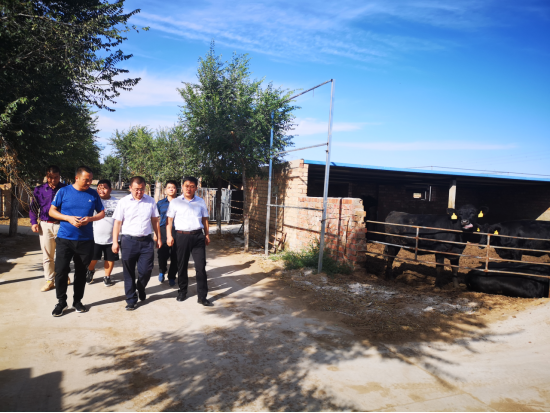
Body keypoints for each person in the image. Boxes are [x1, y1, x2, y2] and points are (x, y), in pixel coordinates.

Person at [48, 166, 105, 317]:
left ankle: (77, 301)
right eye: (86, 180)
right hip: (65, 238)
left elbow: (102, 213)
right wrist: (68, 218)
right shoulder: (64, 191)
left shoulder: (93, 194)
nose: (89, 183)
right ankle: (61, 302)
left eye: (91, 180)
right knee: (61, 271)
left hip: (85, 240)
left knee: (81, 273)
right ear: (77, 178)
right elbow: (51, 211)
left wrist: (90, 219)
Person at [112, 176, 162, 311]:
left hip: (146, 241)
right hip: (128, 241)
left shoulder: (150, 201)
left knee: (146, 270)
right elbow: (117, 223)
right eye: (136, 189)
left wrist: (159, 237)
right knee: (128, 272)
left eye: (141, 189)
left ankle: (140, 287)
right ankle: (131, 299)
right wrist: (115, 242)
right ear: (130, 188)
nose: (139, 192)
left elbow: (155, 221)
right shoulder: (123, 202)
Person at [166, 177, 212, 306]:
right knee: (182, 265)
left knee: (200, 267)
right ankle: (182, 291)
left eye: (192, 186)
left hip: (198, 237)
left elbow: (205, 219)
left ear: (196, 188)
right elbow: (169, 221)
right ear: (182, 187)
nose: (189, 188)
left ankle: (202, 296)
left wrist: (207, 235)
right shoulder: (175, 202)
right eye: (186, 186)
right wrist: (169, 236)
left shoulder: (200, 202)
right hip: (181, 236)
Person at [30, 165, 68, 292]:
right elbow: (33, 207)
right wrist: (34, 222)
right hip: (45, 225)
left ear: (59, 176)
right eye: (50, 177)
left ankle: (64, 276)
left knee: (63, 254)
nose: (53, 180)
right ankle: (49, 280)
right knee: (47, 255)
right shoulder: (39, 190)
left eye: (56, 177)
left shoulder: (65, 189)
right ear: (47, 176)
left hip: (62, 225)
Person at [86, 179, 119, 287]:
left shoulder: (117, 203)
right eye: (99, 188)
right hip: (95, 237)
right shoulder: (93, 200)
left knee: (110, 258)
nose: (101, 190)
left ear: (110, 189)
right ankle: (90, 271)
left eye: (104, 188)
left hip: (112, 238)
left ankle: (107, 276)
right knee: (93, 258)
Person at [155, 180, 179, 287]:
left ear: (176, 190)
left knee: (176, 255)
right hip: (163, 230)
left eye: (173, 187)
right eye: (169, 187)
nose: (171, 189)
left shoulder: (180, 203)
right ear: (165, 190)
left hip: (177, 230)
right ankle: (162, 270)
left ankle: (172, 276)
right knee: (162, 254)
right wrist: (156, 233)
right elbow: (155, 219)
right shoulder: (160, 203)